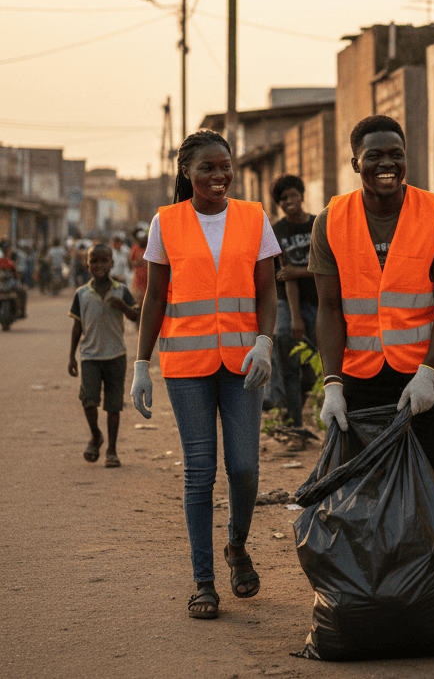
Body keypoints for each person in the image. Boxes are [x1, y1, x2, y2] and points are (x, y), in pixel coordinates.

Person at [309, 114, 434, 568]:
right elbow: (329, 308)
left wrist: (427, 373)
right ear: (355, 161)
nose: (387, 164)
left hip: (426, 375)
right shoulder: (332, 220)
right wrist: (332, 383)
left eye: (396, 155)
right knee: (365, 488)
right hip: (361, 380)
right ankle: (379, 591)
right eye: (375, 156)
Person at [130, 129, 279, 621]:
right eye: (207, 169)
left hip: (243, 364)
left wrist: (264, 342)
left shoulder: (254, 217)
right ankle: (204, 583)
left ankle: (236, 545)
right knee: (200, 473)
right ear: (186, 173)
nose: (219, 176)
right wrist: (140, 365)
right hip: (187, 366)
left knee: (243, 468)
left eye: (224, 167)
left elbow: (266, 290)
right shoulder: (166, 222)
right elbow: (155, 297)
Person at [68, 243, 139, 467]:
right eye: (94, 261)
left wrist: (123, 307)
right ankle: (96, 435)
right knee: (88, 400)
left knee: (113, 405)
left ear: (111, 263)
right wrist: (71, 356)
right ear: (86, 264)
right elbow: (77, 327)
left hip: (116, 356)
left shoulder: (121, 289)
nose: (99, 265)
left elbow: (136, 316)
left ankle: (112, 449)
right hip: (89, 356)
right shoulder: (81, 294)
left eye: (103, 261)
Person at [269, 174, 319, 428]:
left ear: (301, 195)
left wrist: (299, 272)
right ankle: (295, 422)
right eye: (283, 199)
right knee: (289, 364)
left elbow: (329, 268)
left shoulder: (318, 225)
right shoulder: (278, 231)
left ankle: (298, 409)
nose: (289, 201)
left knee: (313, 366)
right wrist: (295, 316)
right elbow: (285, 276)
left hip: (318, 302)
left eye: (292, 195)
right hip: (287, 304)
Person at [128, 229, 148, 305]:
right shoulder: (135, 247)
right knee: (138, 300)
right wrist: (137, 262)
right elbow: (130, 262)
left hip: (149, 278)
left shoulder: (150, 247)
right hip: (138, 278)